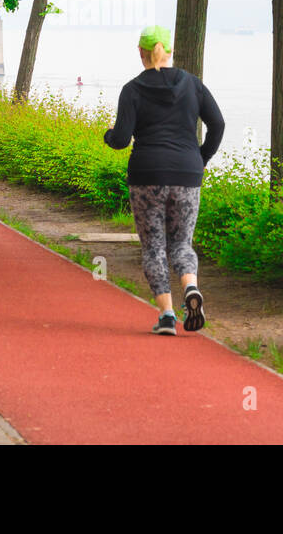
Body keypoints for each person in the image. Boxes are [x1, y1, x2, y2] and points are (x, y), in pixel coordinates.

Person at [104, 25, 224, 336]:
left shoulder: (132, 89)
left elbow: (120, 139)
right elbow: (218, 124)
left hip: (146, 175)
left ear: (141, 53)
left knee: (154, 247)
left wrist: (108, 136)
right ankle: (191, 289)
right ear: (169, 51)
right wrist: (200, 158)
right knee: (182, 244)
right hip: (187, 173)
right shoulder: (193, 85)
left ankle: (168, 315)